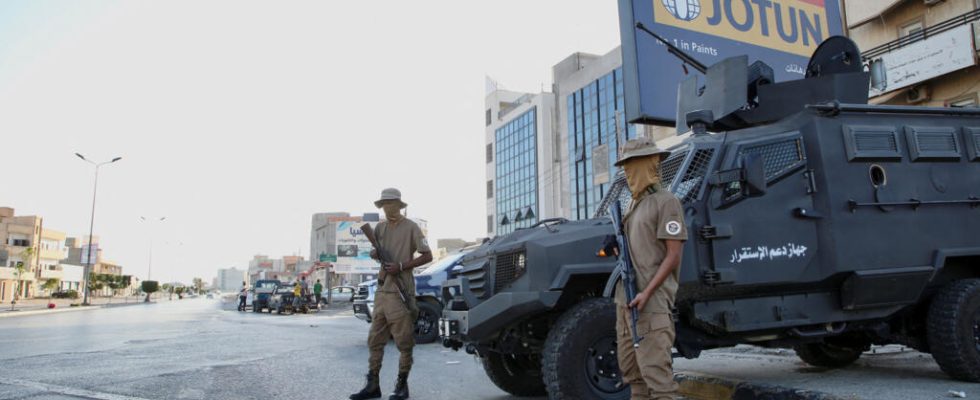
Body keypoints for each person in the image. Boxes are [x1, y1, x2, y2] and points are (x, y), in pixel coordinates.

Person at [612, 138, 687, 400]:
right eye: (625, 167)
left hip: (650, 302)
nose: (627, 172)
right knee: (634, 377)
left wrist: (647, 292)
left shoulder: (666, 202)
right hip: (627, 301)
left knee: (658, 381)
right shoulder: (633, 205)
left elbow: (673, 255)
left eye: (632, 165)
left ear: (649, 164)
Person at [350, 188, 432, 400]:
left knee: (404, 342)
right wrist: (374, 253)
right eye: (383, 204)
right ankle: (372, 385)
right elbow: (376, 253)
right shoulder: (379, 228)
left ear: (399, 204)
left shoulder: (411, 227)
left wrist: (402, 265)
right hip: (382, 291)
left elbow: (427, 255)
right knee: (374, 340)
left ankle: (402, 386)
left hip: (401, 291)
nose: (386, 208)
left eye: (390, 204)